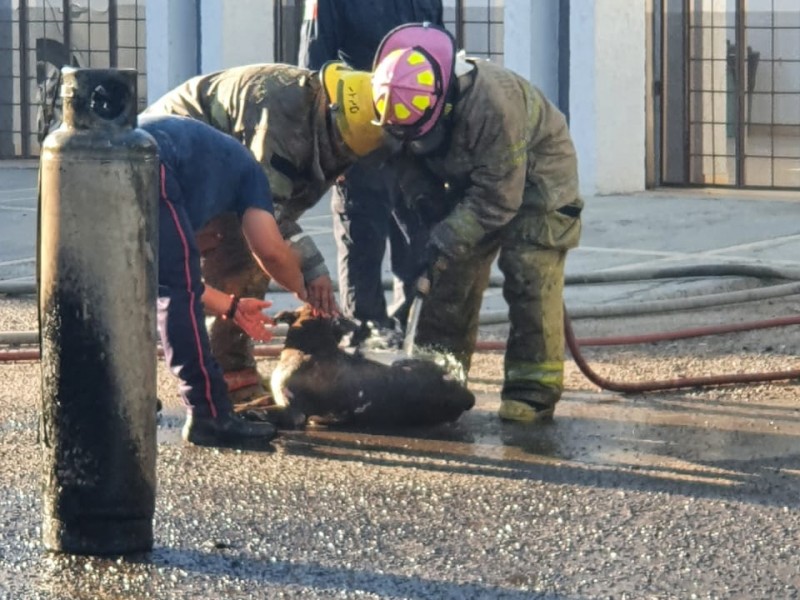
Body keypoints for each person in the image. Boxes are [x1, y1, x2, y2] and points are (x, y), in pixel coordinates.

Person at [370, 23, 584, 423]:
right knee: (448, 274)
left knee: (529, 274)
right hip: (471, 175)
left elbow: (497, 199)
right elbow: (405, 165)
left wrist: (446, 236)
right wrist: (425, 222)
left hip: (538, 178)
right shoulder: (395, 96)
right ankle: (439, 382)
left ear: (445, 103)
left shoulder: (491, 106)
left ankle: (531, 389)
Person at [144, 62, 385, 409]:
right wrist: (308, 281)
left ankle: (134, 386)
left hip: (170, 160)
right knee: (159, 273)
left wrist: (232, 305)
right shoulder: (277, 129)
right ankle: (222, 383)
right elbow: (270, 246)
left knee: (152, 276)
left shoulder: (327, 112)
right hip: (164, 161)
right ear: (331, 125)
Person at [139, 114, 308, 447]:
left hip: (92, 156)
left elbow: (164, 273)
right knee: (177, 290)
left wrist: (230, 306)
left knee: (117, 279)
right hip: (153, 158)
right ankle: (209, 414)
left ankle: (122, 397)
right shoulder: (248, 173)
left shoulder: (205, 174)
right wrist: (306, 291)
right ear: (221, 227)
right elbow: (270, 250)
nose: (208, 255)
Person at [298, 0, 444, 330]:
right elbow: (314, 72)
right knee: (363, 238)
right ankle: (366, 335)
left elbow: (440, 55)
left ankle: (413, 330)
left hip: (415, 137)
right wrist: (333, 148)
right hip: (360, 133)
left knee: (419, 241)